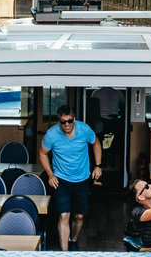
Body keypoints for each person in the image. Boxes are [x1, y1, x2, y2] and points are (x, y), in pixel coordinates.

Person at [39, 104, 102, 250]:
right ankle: (65, 252)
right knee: (64, 215)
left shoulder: (84, 129)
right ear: (58, 121)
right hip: (61, 180)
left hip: (82, 179)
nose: (66, 124)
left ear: (74, 119)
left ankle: (73, 240)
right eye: (63, 122)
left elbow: (96, 143)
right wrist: (50, 175)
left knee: (79, 216)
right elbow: (42, 153)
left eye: (69, 121)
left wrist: (98, 166)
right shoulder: (52, 134)